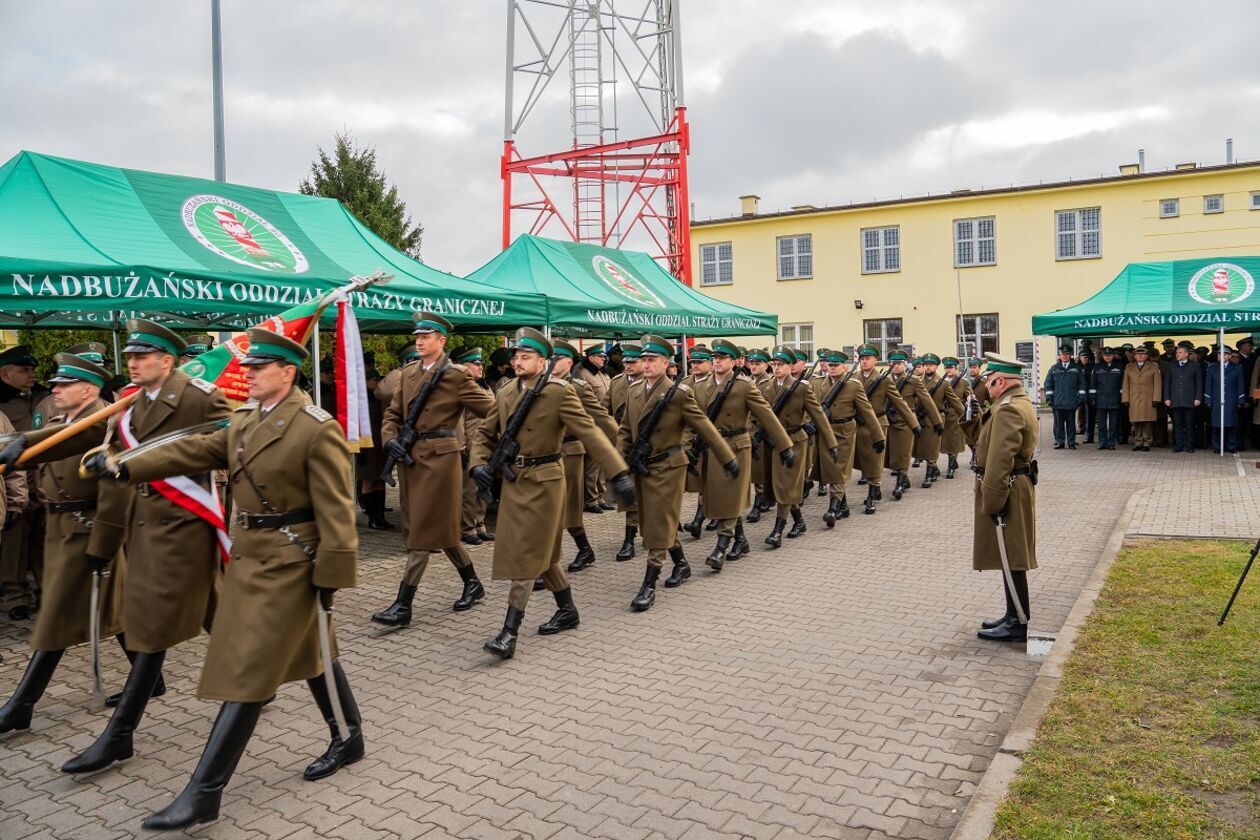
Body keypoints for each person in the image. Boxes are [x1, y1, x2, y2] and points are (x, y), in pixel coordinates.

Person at [82, 328, 363, 830]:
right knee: (309, 650)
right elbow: (190, 450)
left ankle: (204, 792)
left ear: (287, 373)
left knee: (249, 672)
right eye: (247, 367)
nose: (247, 374)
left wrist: (331, 576)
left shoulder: (315, 428)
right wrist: (124, 467)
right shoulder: (245, 421)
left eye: (257, 369)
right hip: (252, 554)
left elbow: (338, 510)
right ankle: (350, 735)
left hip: (293, 560)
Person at [40, 320, 229, 774]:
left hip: (185, 527)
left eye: (143, 356)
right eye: (130, 356)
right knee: (220, 615)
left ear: (167, 360)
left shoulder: (198, 397)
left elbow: (230, 442)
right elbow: (85, 434)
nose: (133, 362)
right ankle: (261, 671)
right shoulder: (132, 402)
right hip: (146, 526)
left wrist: (136, 462)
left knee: (152, 629)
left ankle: (119, 735)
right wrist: (21, 445)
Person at [470, 328, 633, 657]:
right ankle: (568, 609)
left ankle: (509, 632)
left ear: (543, 361)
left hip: (546, 480)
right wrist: (478, 465)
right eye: (516, 356)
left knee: (528, 554)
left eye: (525, 356)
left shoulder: (559, 392)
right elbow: (485, 433)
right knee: (542, 555)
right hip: (515, 481)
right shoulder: (504, 392)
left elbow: (590, 432)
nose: (517, 361)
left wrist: (618, 473)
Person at [0, 354, 123, 734]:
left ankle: (20, 705)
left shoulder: (105, 424)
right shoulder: (59, 420)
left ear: (86, 390)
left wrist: (103, 542)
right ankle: (152, 679)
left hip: (89, 529)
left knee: (55, 619)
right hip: (62, 527)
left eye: (63, 384)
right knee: (121, 616)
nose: (53, 389)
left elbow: (115, 492)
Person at [373, 313, 495, 627]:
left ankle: (404, 604)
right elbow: (392, 413)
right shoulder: (408, 372)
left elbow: (490, 409)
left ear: (441, 341)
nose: (419, 341)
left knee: (422, 531)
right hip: (411, 458)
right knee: (439, 528)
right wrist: (389, 441)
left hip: (441, 460)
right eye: (417, 336)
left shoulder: (455, 374)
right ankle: (472, 583)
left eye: (426, 337)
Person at [617, 335, 733, 607]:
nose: (645, 364)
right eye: (642, 359)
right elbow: (624, 431)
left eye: (651, 360)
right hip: (641, 467)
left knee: (659, 520)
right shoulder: (633, 391)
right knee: (650, 521)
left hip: (668, 466)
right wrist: (617, 461)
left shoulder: (678, 393)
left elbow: (703, 426)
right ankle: (681, 563)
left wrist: (727, 457)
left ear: (665, 362)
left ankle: (649, 583)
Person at [696, 339, 790, 570]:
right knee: (720, 496)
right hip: (711, 447)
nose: (717, 362)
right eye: (714, 358)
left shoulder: (744, 385)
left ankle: (721, 545)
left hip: (737, 445)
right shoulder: (701, 386)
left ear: (734, 362)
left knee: (730, 494)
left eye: (723, 358)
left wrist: (785, 445)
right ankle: (741, 539)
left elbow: (766, 416)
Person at [972, 353, 1038, 643]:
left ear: (1001, 381)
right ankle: (1012, 614)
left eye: (989, 381)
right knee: (1009, 554)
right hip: (1015, 485)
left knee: (1013, 556)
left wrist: (993, 500)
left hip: (1007, 487)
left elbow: (1000, 460)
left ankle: (1017, 623)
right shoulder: (1014, 403)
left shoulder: (1008, 410)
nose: (986, 386)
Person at [551, 341, 618, 573]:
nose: (551, 362)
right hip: (548, 454)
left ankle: (549, 565)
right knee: (559, 508)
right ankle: (584, 549)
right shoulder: (542, 385)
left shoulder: (578, 387)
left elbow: (601, 416)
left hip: (570, 451)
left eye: (556, 358)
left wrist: (623, 445)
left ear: (568, 362)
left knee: (562, 508)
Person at [760, 345, 836, 547]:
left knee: (785, 484)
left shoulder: (801, 388)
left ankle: (777, 529)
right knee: (780, 485)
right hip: (773, 442)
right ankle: (799, 521)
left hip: (795, 441)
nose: (776, 368)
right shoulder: (767, 387)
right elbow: (759, 414)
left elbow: (818, 415)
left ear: (791, 366)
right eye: (774, 364)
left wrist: (831, 442)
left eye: (781, 365)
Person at [0, 344, 50, 621]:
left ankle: (46, 591)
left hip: (42, 474)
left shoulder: (43, 397)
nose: (32, 375)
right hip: (14, 476)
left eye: (32, 370)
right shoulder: (2, 407)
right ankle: (15, 595)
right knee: (15, 540)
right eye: (24, 370)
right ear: (5, 375)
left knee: (42, 537)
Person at [812, 350, 881, 526]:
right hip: (825, 432)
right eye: (829, 365)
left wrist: (878, 436)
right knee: (830, 470)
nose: (832, 368)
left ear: (844, 366)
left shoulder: (853, 385)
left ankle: (833, 508)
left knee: (838, 469)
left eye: (835, 365)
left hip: (845, 432)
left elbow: (867, 412)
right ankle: (843, 506)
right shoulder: (818, 383)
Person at [856, 348, 916, 510]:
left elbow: (899, 402)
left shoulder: (883, 380)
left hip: (879, 422)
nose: (864, 361)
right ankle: (875, 489)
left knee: (875, 460)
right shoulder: (854, 379)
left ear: (876, 360)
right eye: (862, 359)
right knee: (865, 461)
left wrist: (914, 424)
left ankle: (871, 495)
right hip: (859, 424)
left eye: (868, 358)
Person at [605, 342, 643, 561]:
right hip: (624, 445)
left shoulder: (651, 384)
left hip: (648, 448)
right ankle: (629, 539)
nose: (628, 366)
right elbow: (604, 410)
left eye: (633, 362)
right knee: (630, 494)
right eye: (626, 362)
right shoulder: (617, 382)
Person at [454, 347, 495, 545]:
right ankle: (467, 528)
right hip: (469, 446)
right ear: (463, 366)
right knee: (468, 491)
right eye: (475, 363)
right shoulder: (461, 389)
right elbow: (458, 422)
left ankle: (479, 524)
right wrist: (461, 446)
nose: (480, 367)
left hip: (485, 446)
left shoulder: (485, 387)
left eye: (480, 363)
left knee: (483, 488)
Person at [888, 352, 938, 500]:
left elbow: (927, 401)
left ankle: (900, 483)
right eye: (893, 363)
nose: (896, 366)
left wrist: (937, 421)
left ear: (904, 365)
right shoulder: (884, 380)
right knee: (893, 454)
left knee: (903, 452)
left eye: (899, 363)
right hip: (889, 421)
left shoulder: (913, 381)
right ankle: (904, 479)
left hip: (906, 422)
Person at [575, 345, 613, 513]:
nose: (604, 359)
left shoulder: (603, 373)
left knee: (602, 462)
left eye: (604, 356)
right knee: (592, 464)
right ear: (591, 358)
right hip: (592, 422)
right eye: (600, 356)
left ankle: (600, 496)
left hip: (605, 421)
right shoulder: (582, 374)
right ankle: (590, 500)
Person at [913, 354, 960, 486]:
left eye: (931, 365)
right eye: (926, 365)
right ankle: (934, 469)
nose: (928, 367)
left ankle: (928, 475)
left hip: (936, 419)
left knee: (932, 447)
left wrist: (967, 416)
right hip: (919, 418)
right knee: (921, 448)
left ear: (936, 367)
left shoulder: (943, 383)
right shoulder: (915, 381)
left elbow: (955, 401)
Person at [744, 349, 775, 521]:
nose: (754, 366)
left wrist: (762, 432)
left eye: (758, 364)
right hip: (748, 431)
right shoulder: (747, 382)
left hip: (761, 433)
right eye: (752, 363)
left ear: (766, 365)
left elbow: (769, 411)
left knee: (760, 470)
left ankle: (759, 501)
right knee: (753, 470)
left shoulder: (769, 384)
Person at [1205, 346, 1246, 453]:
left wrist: (1240, 400)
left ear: (1229, 356)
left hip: (1231, 400)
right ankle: (1217, 446)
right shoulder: (1212, 367)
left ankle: (1231, 446)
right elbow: (1208, 384)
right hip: (1217, 399)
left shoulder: (1237, 367)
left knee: (1231, 424)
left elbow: (1240, 384)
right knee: (1217, 424)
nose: (1221, 356)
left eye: (1224, 354)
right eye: (1219, 354)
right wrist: (1208, 399)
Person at [1163, 343, 1202, 453]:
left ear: (1186, 354)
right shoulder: (1172, 365)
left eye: (1180, 353)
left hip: (1190, 400)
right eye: (1177, 353)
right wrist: (1167, 398)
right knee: (1177, 425)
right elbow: (1167, 383)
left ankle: (1190, 446)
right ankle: (1178, 445)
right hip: (1175, 400)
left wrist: (1198, 397)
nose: (1177, 355)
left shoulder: (1195, 365)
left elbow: (1199, 383)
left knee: (1190, 424)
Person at [1043, 345, 1084, 449]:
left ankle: (1071, 442)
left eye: (1067, 354)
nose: (1065, 356)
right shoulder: (1054, 369)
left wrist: (1080, 398)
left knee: (1071, 424)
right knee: (1058, 424)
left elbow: (1082, 384)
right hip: (1058, 402)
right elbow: (1048, 385)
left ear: (1070, 355)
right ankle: (1060, 442)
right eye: (1063, 354)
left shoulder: (1076, 368)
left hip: (1071, 401)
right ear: (1059, 355)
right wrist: (1049, 399)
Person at [1121, 345, 1161, 451]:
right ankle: (1138, 442)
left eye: (1142, 354)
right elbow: (1126, 384)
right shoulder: (1129, 366)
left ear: (1146, 356)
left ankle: (1147, 442)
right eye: (1138, 354)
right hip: (1134, 397)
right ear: (1135, 356)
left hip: (1148, 397)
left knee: (1147, 421)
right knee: (1136, 421)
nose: (1140, 356)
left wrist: (1156, 398)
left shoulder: (1153, 366)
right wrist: (1125, 399)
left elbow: (1157, 383)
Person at [1090, 347, 1124, 450]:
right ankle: (1102, 442)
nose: (1108, 357)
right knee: (1101, 424)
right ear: (1103, 356)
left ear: (1113, 356)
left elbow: (1122, 385)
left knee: (1113, 424)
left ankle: (1111, 443)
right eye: (1106, 355)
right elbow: (1093, 384)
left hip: (1114, 399)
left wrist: (1122, 398)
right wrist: (1092, 397)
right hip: (1101, 399)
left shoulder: (1119, 367)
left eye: (1109, 355)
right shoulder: (1097, 368)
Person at [1076, 350, 1096, 444]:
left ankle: (1089, 436)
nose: (1085, 359)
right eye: (1083, 357)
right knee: (1080, 413)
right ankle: (1081, 428)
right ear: (1080, 358)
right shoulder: (1077, 367)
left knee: (1090, 417)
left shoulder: (1091, 367)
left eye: (1087, 358)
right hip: (1080, 395)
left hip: (1089, 395)